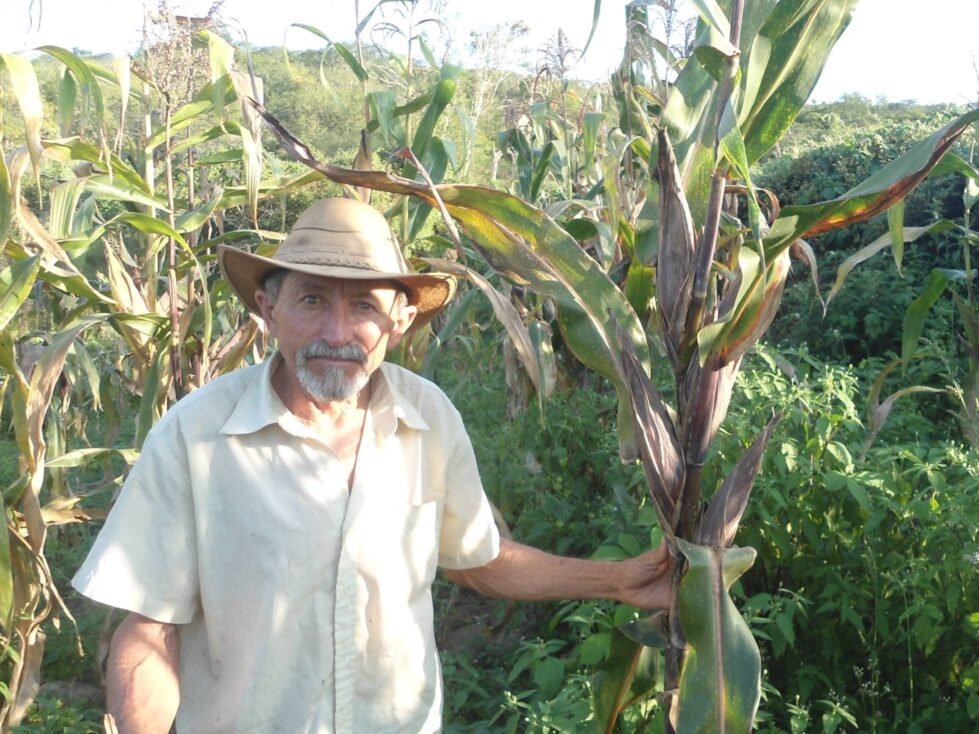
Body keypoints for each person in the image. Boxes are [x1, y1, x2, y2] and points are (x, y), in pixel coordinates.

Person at [73, 197, 671, 734]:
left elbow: (477, 559)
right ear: (267, 308)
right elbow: (150, 625)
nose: (337, 332)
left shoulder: (429, 420)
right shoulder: (194, 435)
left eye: (363, 305)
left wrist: (617, 581)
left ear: (400, 320)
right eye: (311, 299)